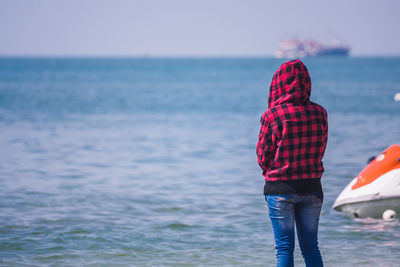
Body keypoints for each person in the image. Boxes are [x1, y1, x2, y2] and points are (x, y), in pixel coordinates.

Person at [256, 59, 328, 267]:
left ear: (278, 84)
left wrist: (275, 171)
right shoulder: (320, 113)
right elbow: (321, 150)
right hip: (312, 188)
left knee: (284, 249)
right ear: (307, 83)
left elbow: (262, 157)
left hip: (280, 189)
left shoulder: (271, 116)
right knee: (311, 248)